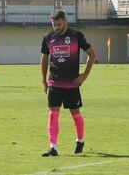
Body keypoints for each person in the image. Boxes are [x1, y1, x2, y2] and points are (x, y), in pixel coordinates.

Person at [40, 10, 95, 157]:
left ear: (65, 21)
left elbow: (92, 54)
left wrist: (84, 75)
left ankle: (80, 140)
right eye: (54, 24)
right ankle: (53, 147)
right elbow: (44, 59)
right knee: (53, 114)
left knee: (75, 114)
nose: (56, 27)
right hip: (54, 83)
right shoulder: (48, 38)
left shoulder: (76, 36)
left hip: (71, 84)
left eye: (59, 24)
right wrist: (44, 81)